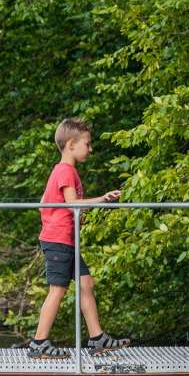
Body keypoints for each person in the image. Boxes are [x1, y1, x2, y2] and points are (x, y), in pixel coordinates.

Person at [27, 118, 130, 359]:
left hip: (67, 240)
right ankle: (38, 343)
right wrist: (102, 199)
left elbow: (45, 202)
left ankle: (97, 339)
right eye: (87, 143)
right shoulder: (64, 170)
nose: (90, 148)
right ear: (72, 144)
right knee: (58, 290)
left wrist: (69, 217)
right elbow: (72, 203)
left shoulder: (63, 170)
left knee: (86, 283)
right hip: (58, 241)